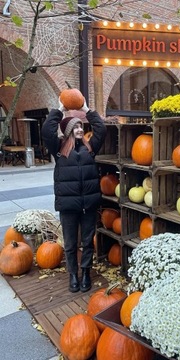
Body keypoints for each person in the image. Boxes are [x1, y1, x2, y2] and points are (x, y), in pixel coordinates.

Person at [41, 98, 106, 293]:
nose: (79, 129)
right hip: (68, 206)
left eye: (80, 126)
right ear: (68, 131)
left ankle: (85, 272)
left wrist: (86, 109)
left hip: (89, 205)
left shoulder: (90, 149)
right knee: (70, 244)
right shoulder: (59, 150)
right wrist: (60, 109)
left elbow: (101, 129)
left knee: (87, 242)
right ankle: (73, 274)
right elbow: (46, 129)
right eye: (75, 127)